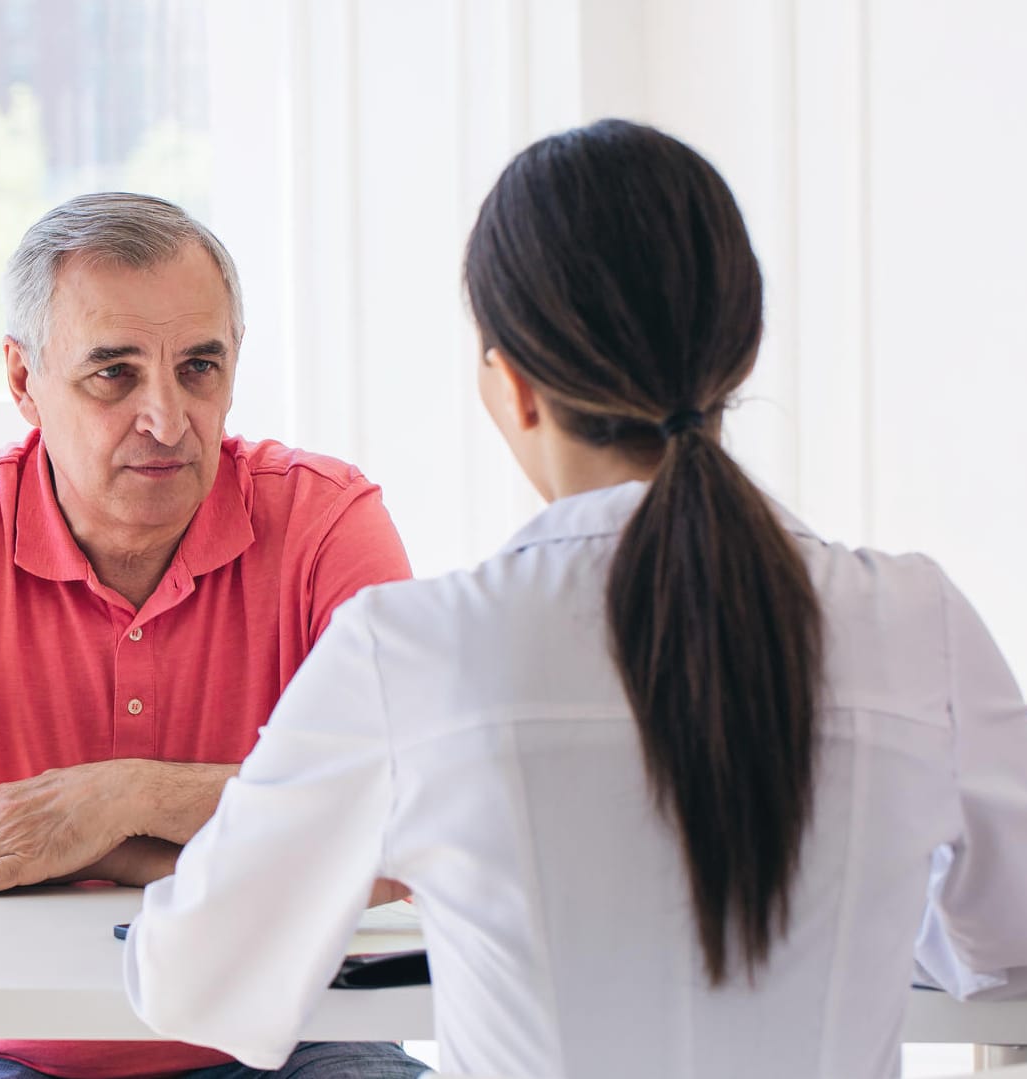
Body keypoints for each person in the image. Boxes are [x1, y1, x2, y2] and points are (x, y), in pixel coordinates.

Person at [124, 120, 1027, 1079]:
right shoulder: (917, 622)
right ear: (741, 355)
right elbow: (1004, 937)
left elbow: (193, 978)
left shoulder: (411, 653)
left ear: (509, 384)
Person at [0, 192, 427, 1079]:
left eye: (198, 367)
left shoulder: (325, 518)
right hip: (1, 1048)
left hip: (292, 1037)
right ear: (24, 380)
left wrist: (129, 795)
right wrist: (102, 838)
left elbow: (412, 810)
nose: (168, 418)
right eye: (114, 373)